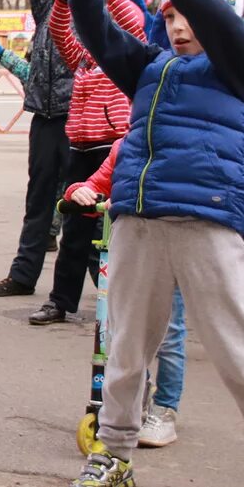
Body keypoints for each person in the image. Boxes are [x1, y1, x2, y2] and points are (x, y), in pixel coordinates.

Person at [66, 0, 244, 486]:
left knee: (235, 347)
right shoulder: (151, 67)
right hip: (138, 220)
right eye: (169, 16)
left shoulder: (235, 63)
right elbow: (97, 34)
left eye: (188, 14)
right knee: (125, 348)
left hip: (207, 221)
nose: (179, 25)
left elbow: (218, 19)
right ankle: (114, 455)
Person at [30, 0, 143, 326]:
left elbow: (134, 23)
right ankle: (60, 301)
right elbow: (59, 29)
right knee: (74, 230)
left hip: (113, 147)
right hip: (80, 149)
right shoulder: (81, 58)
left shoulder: (128, 57)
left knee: (114, 231)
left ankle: (124, 304)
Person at [60, 137, 187, 450]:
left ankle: (165, 409)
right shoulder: (125, 146)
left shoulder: (185, 144)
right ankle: (133, 402)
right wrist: (79, 191)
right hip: (131, 250)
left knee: (169, 335)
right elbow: (96, 182)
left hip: (175, 248)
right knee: (123, 332)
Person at [0, 0, 79, 297]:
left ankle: (92, 289)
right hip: (45, 119)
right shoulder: (48, 14)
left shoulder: (96, 21)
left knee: (82, 207)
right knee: (38, 201)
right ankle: (24, 277)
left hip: (81, 123)